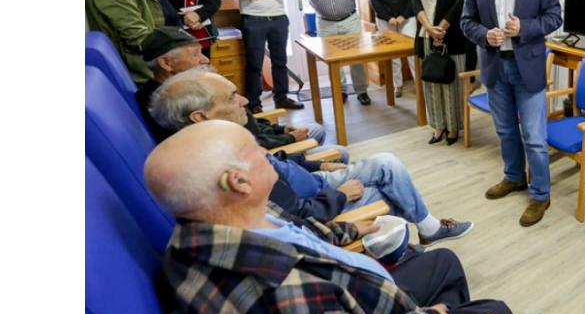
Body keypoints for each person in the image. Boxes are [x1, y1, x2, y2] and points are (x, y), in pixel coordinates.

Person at [146, 121, 515, 314]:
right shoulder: (279, 300)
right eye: (255, 148)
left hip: (354, 298)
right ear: (238, 181)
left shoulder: (211, 226)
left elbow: (296, 231)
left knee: (444, 261)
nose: (267, 152)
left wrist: (347, 230)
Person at [149, 68, 472, 243]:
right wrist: (340, 195)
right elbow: (293, 215)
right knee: (389, 189)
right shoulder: (225, 166)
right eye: (232, 97)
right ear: (199, 117)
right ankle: (418, 237)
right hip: (319, 200)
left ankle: (422, 231)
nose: (245, 101)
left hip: (314, 182)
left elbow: (279, 163)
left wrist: (318, 163)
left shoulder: (223, 140)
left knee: (386, 165)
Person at [460, 0, 563, 227]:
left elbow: (554, 16)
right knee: (505, 131)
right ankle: (514, 177)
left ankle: (541, 194)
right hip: (495, 66)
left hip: (527, 68)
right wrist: (484, 35)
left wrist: (524, 28)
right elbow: (467, 21)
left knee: (534, 137)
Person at [301, 0, 373, 105]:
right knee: (333, 60)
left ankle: (361, 91)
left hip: (349, 20)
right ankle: (340, 90)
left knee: (357, 57)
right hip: (325, 23)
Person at [413, 0, 468, 146]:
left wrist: (441, 28)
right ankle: (438, 126)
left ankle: (453, 128)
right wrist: (428, 27)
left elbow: (460, 3)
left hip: (451, 36)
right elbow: (415, 2)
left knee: (451, 83)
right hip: (425, 36)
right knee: (431, 81)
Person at [136, 27, 211, 141]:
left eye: (201, 52)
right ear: (166, 63)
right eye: (195, 54)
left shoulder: (175, 91)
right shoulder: (168, 104)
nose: (206, 60)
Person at [369, 0, 416, 98]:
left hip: (407, 18)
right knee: (393, 55)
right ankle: (398, 85)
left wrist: (403, 15)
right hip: (385, 20)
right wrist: (388, 17)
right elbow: (374, 0)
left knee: (412, 52)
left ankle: (419, 83)